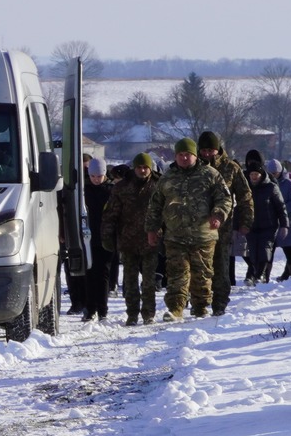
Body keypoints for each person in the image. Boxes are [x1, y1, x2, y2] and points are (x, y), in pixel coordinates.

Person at [146, 137, 230, 323]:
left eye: (188, 154)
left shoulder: (210, 174)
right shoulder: (167, 177)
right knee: (176, 274)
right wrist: (152, 229)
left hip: (203, 236)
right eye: (180, 155)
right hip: (175, 236)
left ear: (195, 155)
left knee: (202, 275)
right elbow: (155, 205)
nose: (184, 158)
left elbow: (224, 198)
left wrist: (218, 214)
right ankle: (176, 308)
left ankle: (200, 307)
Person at [195, 131, 251, 315]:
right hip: (196, 227)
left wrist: (246, 221)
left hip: (222, 227)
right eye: (203, 150)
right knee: (199, 267)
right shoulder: (194, 167)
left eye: (210, 150)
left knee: (220, 266)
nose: (206, 154)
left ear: (217, 149)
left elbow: (245, 196)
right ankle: (200, 303)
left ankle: (219, 304)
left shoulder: (230, 168)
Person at [103, 152, 159, 325]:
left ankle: (148, 313)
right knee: (130, 280)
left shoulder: (159, 185)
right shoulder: (122, 187)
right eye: (139, 167)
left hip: (151, 240)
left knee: (149, 281)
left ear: (150, 168)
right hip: (128, 240)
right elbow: (111, 213)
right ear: (134, 168)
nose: (142, 170)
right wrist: (107, 235)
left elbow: (168, 212)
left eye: (145, 167)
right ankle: (132, 314)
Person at [243, 155, 288, 284]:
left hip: (268, 225)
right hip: (251, 225)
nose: (254, 177)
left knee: (265, 250)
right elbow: (239, 208)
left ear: (261, 174)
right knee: (252, 252)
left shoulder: (271, 187)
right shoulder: (245, 189)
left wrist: (284, 225)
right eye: (252, 174)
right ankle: (255, 272)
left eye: (256, 174)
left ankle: (260, 275)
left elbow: (281, 207)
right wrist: (237, 226)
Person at [80, 156, 111, 322]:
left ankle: (103, 309)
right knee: (90, 273)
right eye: (93, 176)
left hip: (106, 238)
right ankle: (90, 308)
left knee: (103, 274)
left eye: (99, 176)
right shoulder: (84, 191)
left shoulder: (111, 191)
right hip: (88, 237)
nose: (96, 179)